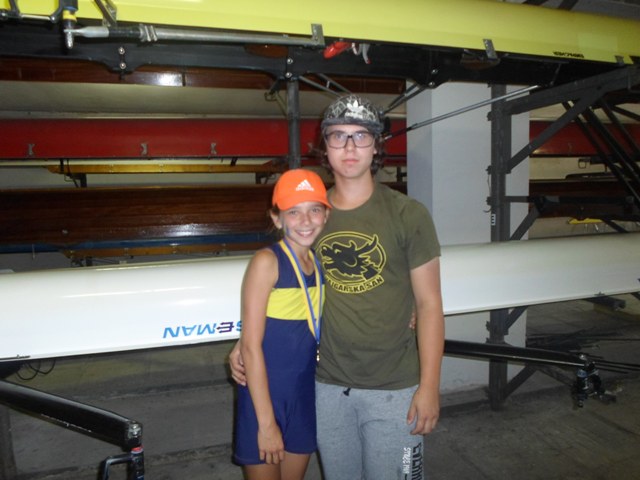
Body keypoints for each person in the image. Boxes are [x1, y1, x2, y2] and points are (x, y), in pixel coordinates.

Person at [231, 94, 444, 480]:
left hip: (393, 387)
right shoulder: (312, 216)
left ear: (377, 146)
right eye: (338, 136)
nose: (349, 147)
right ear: (325, 147)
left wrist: (429, 386)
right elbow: (285, 285)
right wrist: (247, 343)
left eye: (361, 136)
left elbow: (429, 304)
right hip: (327, 387)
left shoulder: (408, 214)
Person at [233, 168, 331, 480]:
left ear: (326, 215)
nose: (306, 221)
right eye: (294, 212)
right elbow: (251, 346)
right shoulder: (267, 262)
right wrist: (266, 424)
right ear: (277, 219)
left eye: (314, 210)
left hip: (303, 395)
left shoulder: (319, 264)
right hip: (265, 397)